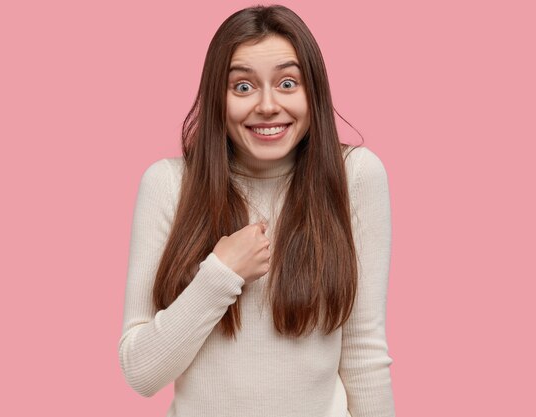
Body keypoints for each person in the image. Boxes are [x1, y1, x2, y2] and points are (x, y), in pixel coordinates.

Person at [118, 4, 395, 417]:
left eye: (287, 83)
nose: (267, 106)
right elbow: (141, 372)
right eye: (243, 87)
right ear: (218, 96)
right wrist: (219, 275)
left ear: (312, 91)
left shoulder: (355, 176)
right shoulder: (169, 184)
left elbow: (363, 354)